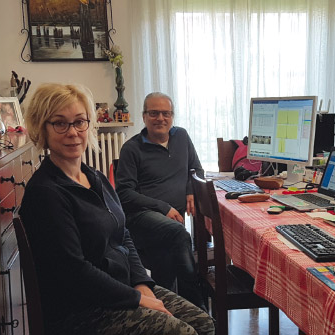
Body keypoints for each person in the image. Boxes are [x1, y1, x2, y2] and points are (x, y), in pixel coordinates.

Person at [19, 84, 214, 335]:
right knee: (182, 332)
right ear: (41, 129)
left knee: (203, 323)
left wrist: (142, 283)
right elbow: (74, 271)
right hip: (84, 309)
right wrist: (137, 298)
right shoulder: (46, 192)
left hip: (121, 288)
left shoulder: (95, 177)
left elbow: (123, 236)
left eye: (79, 122)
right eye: (59, 123)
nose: (73, 132)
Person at [115, 92, 207, 309]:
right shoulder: (132, 148)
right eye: (154, 113)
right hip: (141, 217)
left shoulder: (182, 137)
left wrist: (190, 190)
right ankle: (197, 303)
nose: (160, 118)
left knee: (169, 251)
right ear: (144, 116)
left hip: (170, 222)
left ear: (172, 116)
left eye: (166, 113)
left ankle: (170, 307)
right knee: (178, 234)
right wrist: (163, 207)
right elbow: (124, 194)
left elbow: (197, 170)